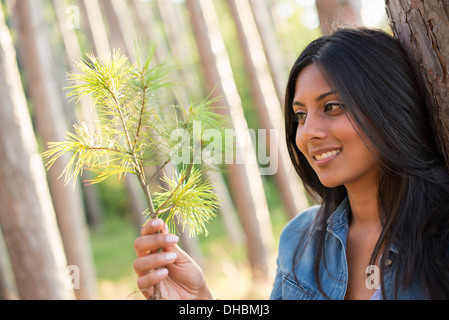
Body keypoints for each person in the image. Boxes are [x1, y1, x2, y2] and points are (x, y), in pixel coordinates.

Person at [133, 27, 449, 300]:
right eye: (300, 115)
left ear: (388, 107)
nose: (307, 132)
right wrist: (198, 298)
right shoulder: (300, 239)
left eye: (332, 106)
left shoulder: (441, 236)